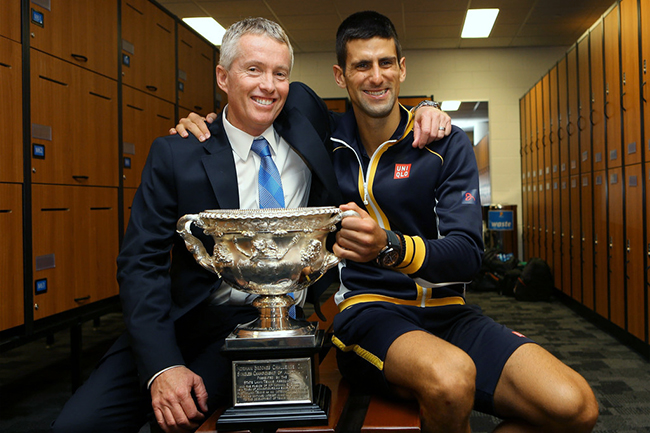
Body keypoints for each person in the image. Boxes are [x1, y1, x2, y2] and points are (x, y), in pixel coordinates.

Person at [178, 10, 599, 433]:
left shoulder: (444, 143)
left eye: (385, 63)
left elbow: (469, 256)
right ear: (341, 76)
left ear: (402, 69)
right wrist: (208, 122)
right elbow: (253, 108)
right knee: (450, 380)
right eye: (362, 65)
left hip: (450, 313)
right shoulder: (323, 141)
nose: (376, 77)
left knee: (575, 406)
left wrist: (388, 245)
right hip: (368, 312)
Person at [51, 16, 449, 433]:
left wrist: (425, 109)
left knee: (182, 419)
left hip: (272, 327)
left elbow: (371, 112)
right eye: (253, 70)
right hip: (183, 320)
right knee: (77, 426)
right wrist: (163, 367)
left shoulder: (306, 118)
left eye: (280, 74)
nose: (268, 86)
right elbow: (140, 264)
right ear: (223, 77)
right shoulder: (178, 154)